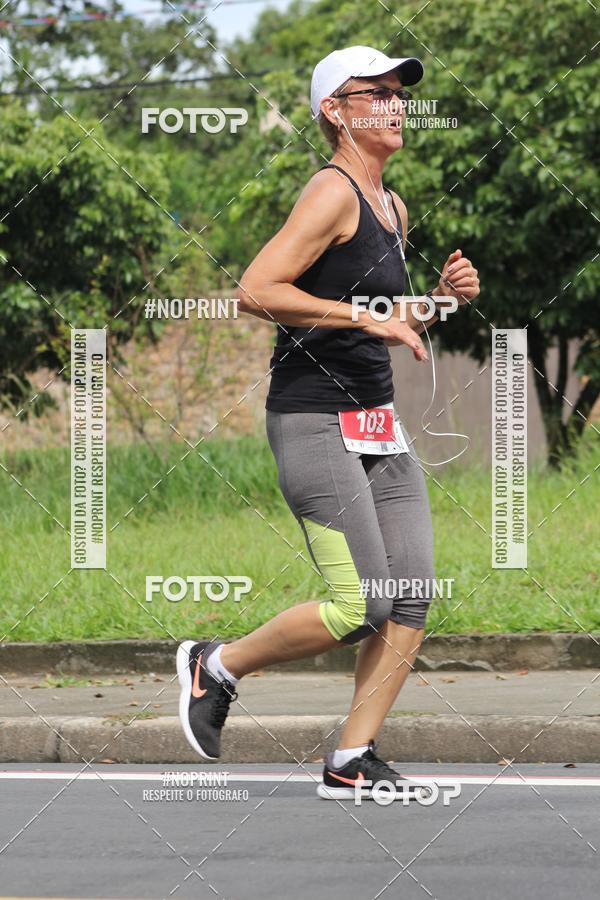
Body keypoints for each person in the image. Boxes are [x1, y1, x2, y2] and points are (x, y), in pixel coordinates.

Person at [177, 45, 480, 800]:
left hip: (378, 423)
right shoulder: (331, 192)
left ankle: (351, 758)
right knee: (361, 602)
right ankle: (214, 665)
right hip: (313, 419)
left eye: (400, 92)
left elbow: (384, 316)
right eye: (374, 92)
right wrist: (368, 320)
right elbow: (255, 289)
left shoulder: (391, 204)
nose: (395, 103)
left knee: (410, 593)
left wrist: (441, 301)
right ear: (334, 111)